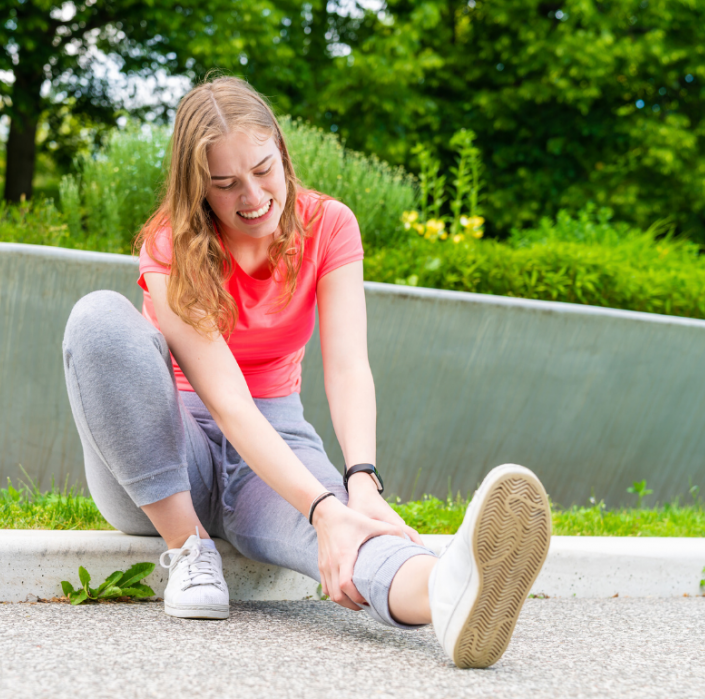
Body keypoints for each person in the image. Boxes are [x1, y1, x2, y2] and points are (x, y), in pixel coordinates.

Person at [61, 76, 552, 669]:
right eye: (225, 184)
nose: (253, 196)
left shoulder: (331, 225)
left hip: (276, 440)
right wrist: (322, 504)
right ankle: (187, 548)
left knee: (347, 533)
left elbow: (347, 366)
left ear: (284, 154)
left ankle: (445, 593)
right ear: (198, 190)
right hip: (165, 449)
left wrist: (360, 484)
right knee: (98, 319)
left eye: (264, 170)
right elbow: (227, 403)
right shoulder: (169, 244)